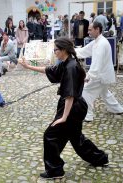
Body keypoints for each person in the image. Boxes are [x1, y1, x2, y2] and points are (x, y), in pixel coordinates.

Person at [19, 37, 108, 180]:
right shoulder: (67, 62)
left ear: (64, 50)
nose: (54, 52)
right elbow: (49, 70)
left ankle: (55, 170)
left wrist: (64, 117)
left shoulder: (71, 66)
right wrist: (28, 66)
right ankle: (100, 158)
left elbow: (69, 96)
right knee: (76, 138)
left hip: (72, 108)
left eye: (56, 50)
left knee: (50, 135)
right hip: (74, 106)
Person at [75, 21, 123, 122]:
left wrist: (88, 77)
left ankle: (88, 116)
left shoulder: (101, 43)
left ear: (97, 30)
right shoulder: (97, 41)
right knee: (104, 92)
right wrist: (71, 50)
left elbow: (96, 64)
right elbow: (84, 51)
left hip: (100, 76)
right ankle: (117, 109)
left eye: (90, 29)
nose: (88, 32)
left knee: (85, 91)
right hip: (103, 75)